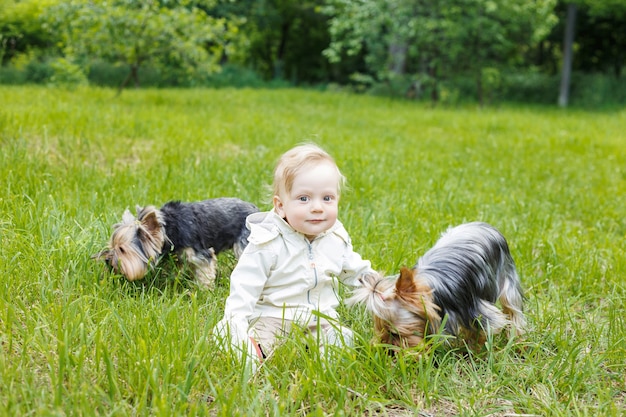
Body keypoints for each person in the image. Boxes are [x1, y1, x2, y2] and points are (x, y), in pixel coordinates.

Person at [214, 143, 375, 371]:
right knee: (260, 345)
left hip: (319, 317)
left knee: (340, 338)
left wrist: (379, 286)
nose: (317, 208)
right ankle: (247, 347)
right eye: (304, 199)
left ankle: (325, 357)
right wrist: (236, 319)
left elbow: (354, 270)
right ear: (280, 206)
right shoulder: (267, 242)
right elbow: (244, 285)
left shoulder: (335, 237)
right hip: (273, 316)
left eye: (327, 198)